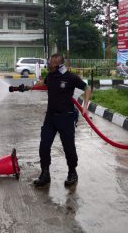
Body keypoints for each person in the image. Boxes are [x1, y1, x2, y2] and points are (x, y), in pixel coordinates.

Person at [33, 53, 91, 187]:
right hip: (50, 117)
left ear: (59, 66)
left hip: (66, 117)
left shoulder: (70, 77)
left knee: (69, 147)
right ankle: (45, 173)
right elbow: (45, 83)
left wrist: (85, 107)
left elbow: (87, 88)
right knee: (44, 145)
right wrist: (38, 84)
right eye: (49, 63)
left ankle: (72, 173)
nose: (49, 66)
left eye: (51, 64)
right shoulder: (51, 76)